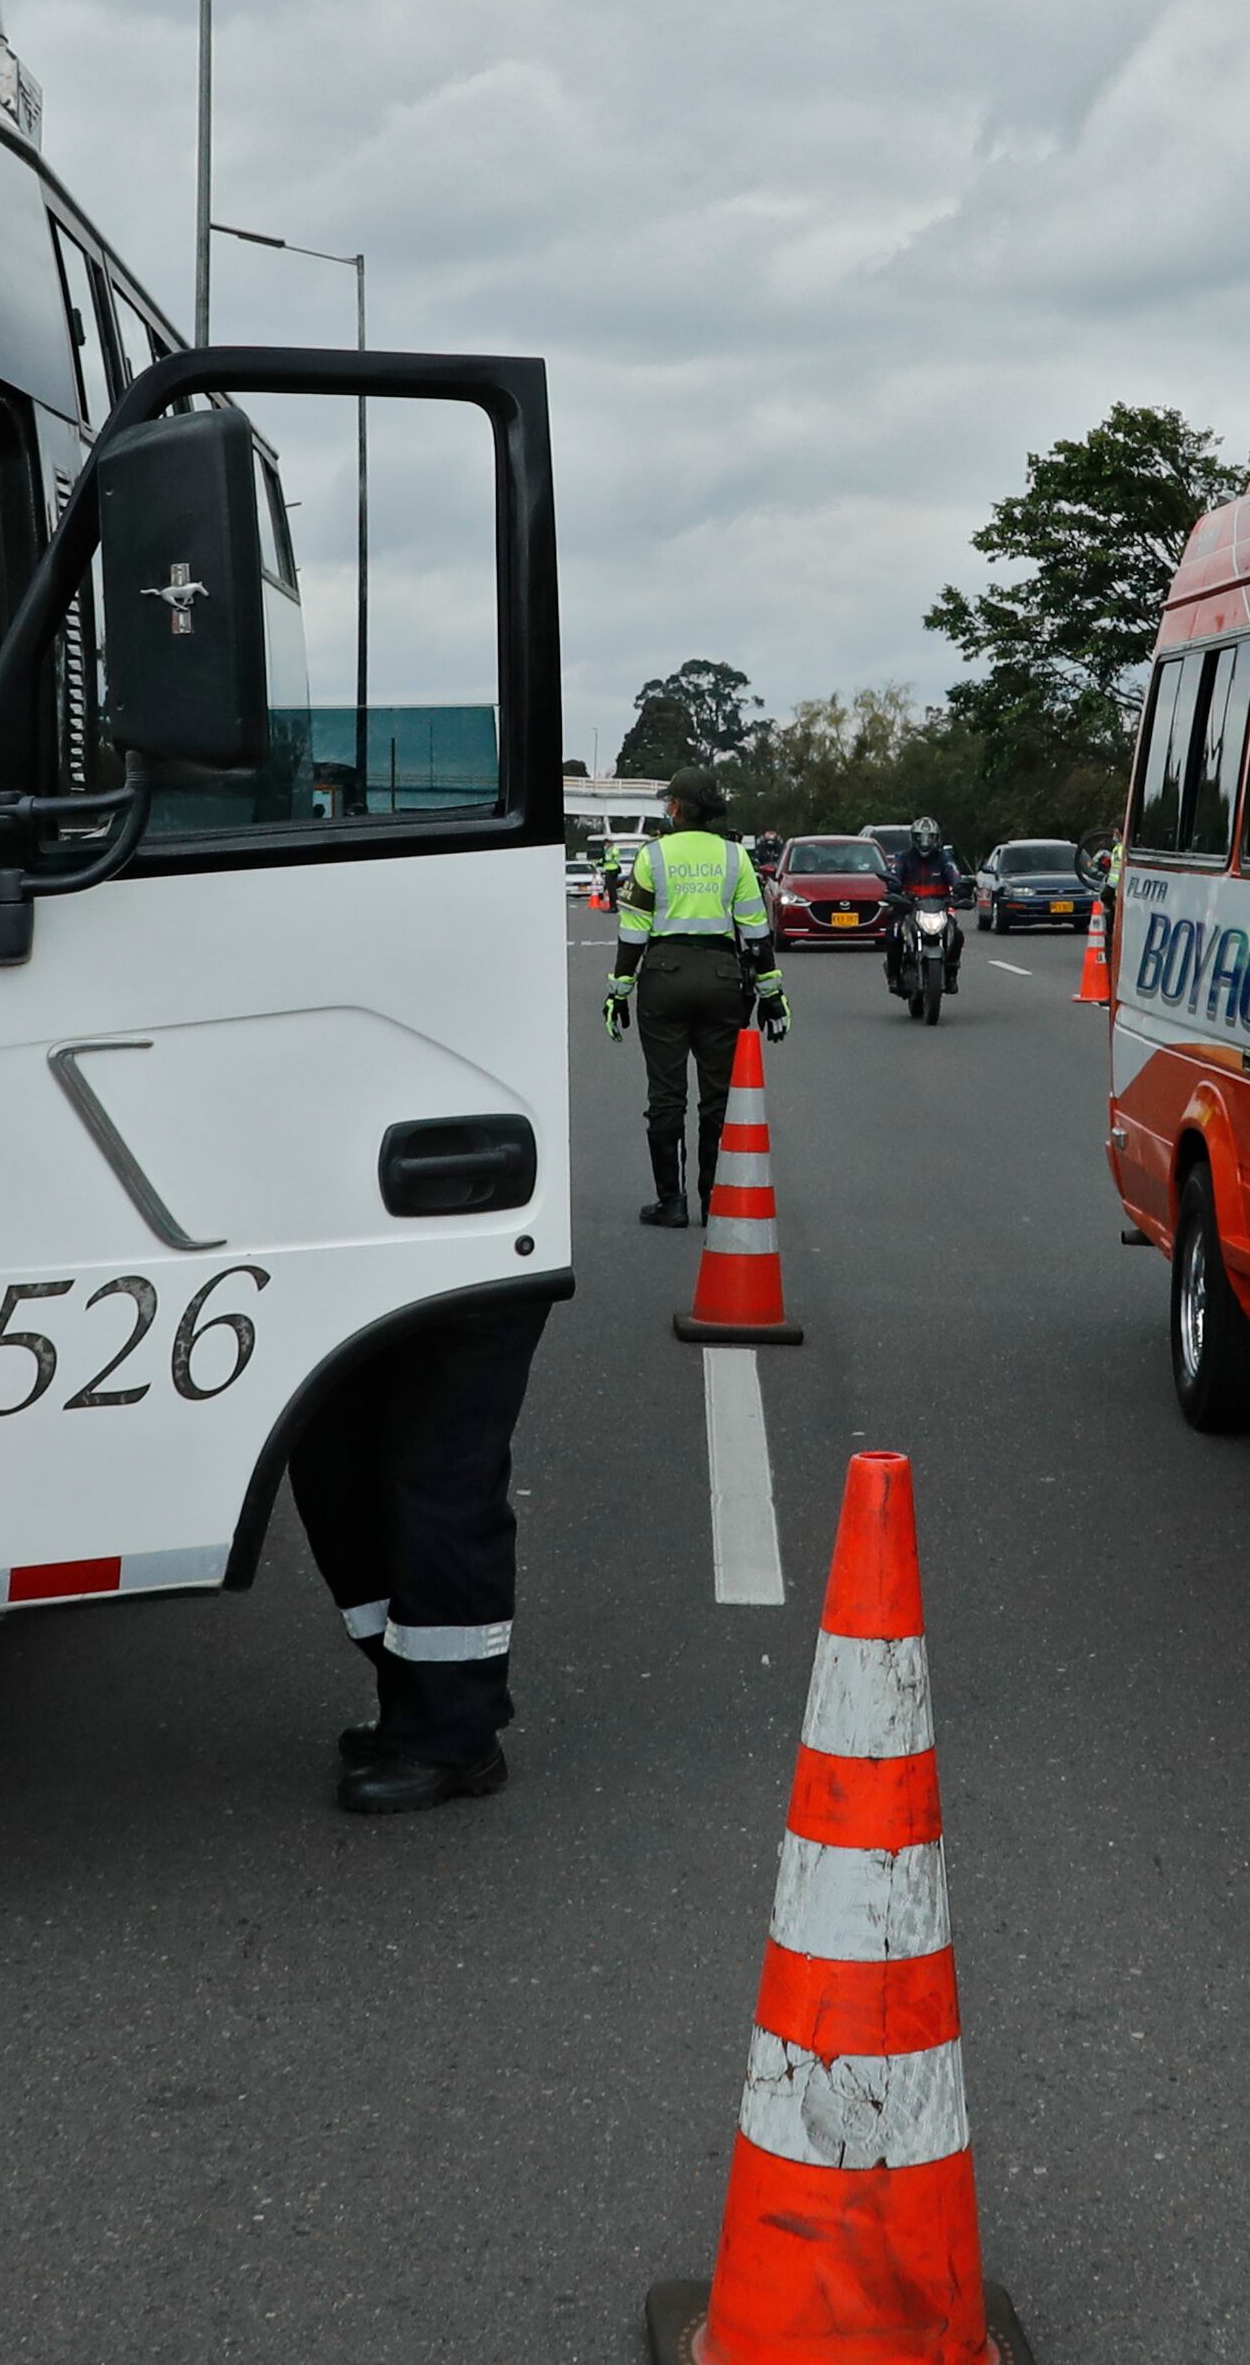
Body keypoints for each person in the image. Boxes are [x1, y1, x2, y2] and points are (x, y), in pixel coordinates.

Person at [289, 1289, 550, 1815]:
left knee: (441, 1482)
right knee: (333, 1462)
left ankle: (454, 1739)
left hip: (475, 1252)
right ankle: (416, 1697)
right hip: (363, 1261)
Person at [608, 769, 781, 1227]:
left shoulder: (653, 856)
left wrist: (618, 992)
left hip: (663, 980)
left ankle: (671, 1202)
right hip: (724, 980)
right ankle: (714, 1200)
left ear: (678, 808)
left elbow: (633, 932)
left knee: (666, 1096)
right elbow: (756, 933)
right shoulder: (734, 857)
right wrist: (772, 993)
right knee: (717, 1098)